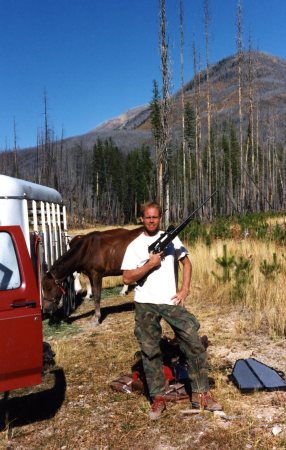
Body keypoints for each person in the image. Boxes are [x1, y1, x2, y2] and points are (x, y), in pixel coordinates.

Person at [121, 201, 222, 420]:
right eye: (147, 217)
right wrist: (149, 265)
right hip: (145, 303)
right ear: (141, 218)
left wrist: (184, 290)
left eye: (155, 217)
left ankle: (201, 393)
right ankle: (158, 397)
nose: (151, 220)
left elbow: (187, 264)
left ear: (159, 218)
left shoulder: (172, 238)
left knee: (193, 341)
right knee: (150, 350)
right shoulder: (135, 245)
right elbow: (127, 277)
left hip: (170, 301)